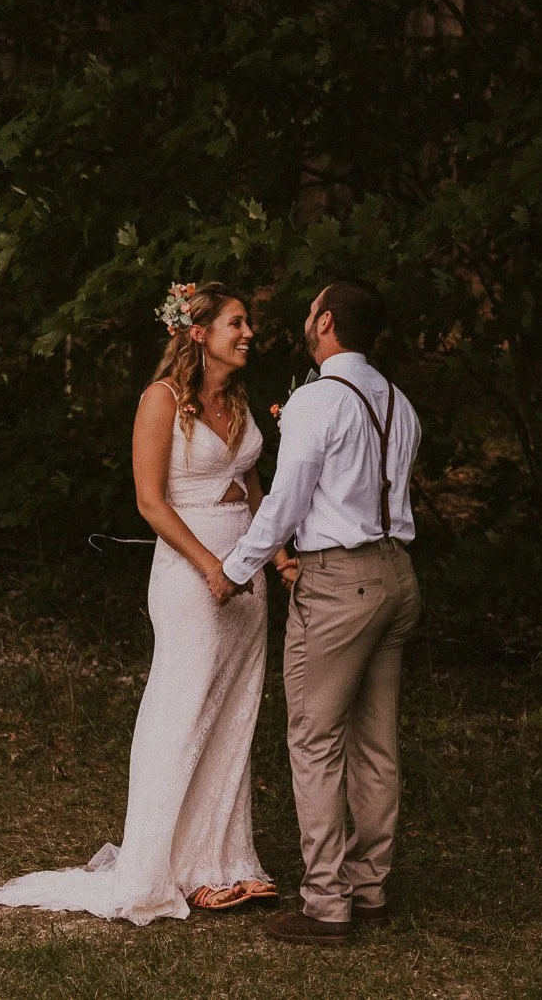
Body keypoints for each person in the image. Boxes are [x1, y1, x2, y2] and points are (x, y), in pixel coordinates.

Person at [0, 281, 288, 924]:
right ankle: (159, 863)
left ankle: (220, 862)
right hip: (192, 571)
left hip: (246, 570)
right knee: (184, 707)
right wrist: (212, 567)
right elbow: (151, 502)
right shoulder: (160, 400)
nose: (248, 332)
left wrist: (275, 557)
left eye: (248, 323)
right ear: (199, 333)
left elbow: (253, 484)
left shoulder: (237, 397)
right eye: (237, 322)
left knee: (234, 709)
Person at [212, 280, 422, 946]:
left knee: (315, 739)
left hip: (340, 586)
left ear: (326, 322)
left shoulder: (317, 401)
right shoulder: (399, 401)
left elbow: (287, 501)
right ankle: (370, 885)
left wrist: (236, 567)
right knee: (376, 741)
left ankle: (327, 901)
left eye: (310, 311)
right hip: (397, 576)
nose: (307, 318)